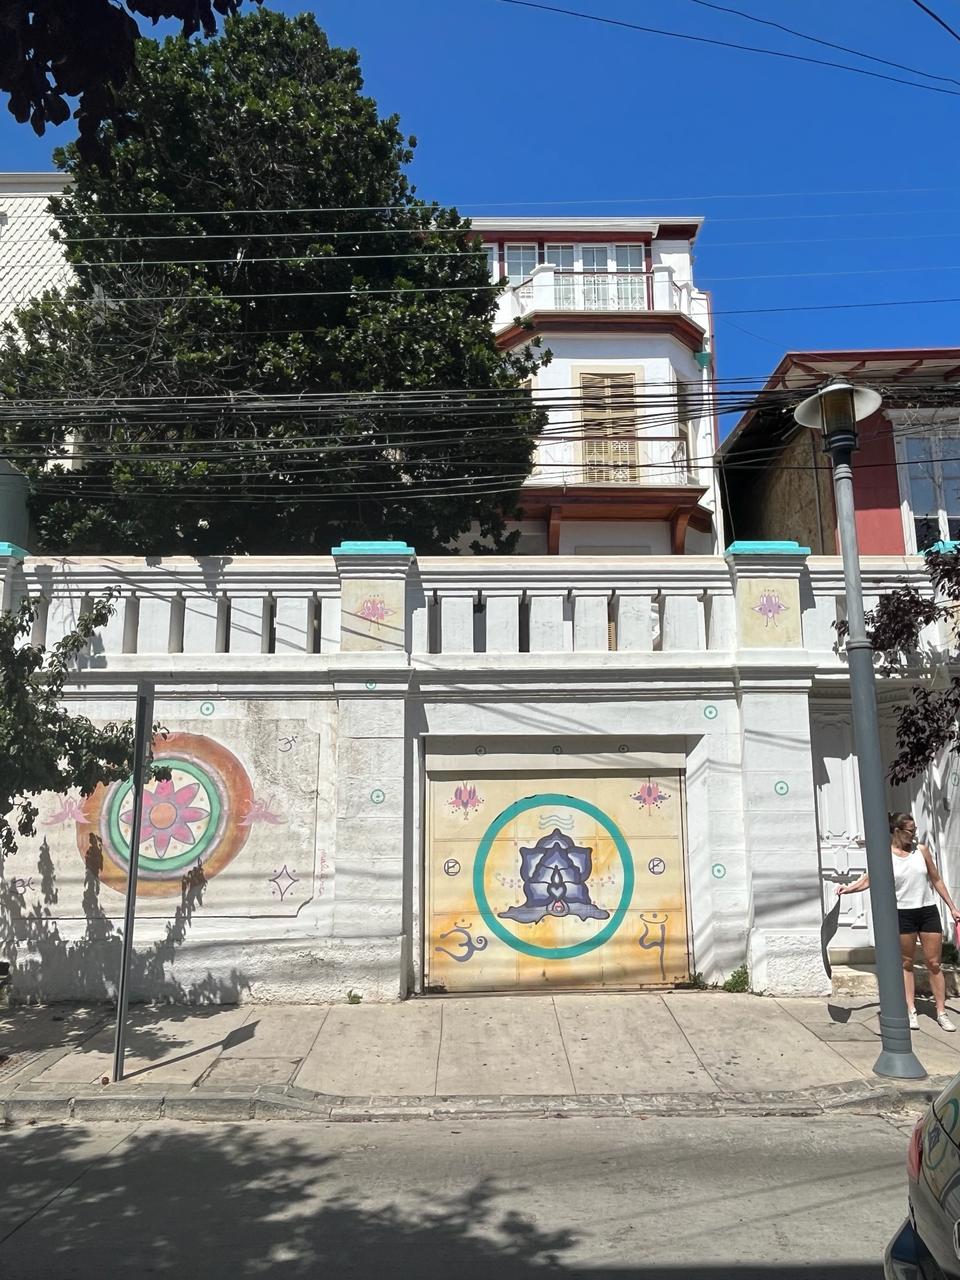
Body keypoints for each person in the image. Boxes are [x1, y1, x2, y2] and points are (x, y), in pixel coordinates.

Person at [838, 812, 960, 1032]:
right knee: (906, 963)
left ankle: (941, 1012)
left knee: (934, 963)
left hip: (927, 911)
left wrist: (952, 907)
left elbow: (936, 879)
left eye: (915, 831)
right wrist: (847, 889)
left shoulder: (921, 851)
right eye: (910, 831)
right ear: (897, 831)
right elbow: (868, 880)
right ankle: (911, 1010)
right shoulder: (884, 856)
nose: (913, 835)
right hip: (902, 913)